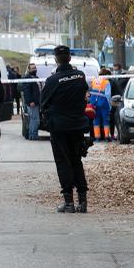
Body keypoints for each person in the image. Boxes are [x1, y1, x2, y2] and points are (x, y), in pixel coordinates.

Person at [40, 45, 91, 213]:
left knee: (63, 163)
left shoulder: (53, 80)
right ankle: (82, 201)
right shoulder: (80, 76)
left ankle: (69, 202)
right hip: (77, 125)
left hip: (60, 128)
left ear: (56, 59)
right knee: (76, 161)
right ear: (70, 58)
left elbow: (43, 103)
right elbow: (84, 97)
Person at [89, 68, 113, 142]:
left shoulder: (93, 81)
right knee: (106, 120)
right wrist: (110, 105)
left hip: (94, 103)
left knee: (96, 120)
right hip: (103, 103)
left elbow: (90, 91)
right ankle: (106, 137)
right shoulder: (106, 82)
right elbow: (108, 95)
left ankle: (97, 137)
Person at [21, 62, 42, 140]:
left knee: (34, 119)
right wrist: (30, 101)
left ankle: (32, 135)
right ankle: (33, 136)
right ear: (29, 69)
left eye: (35, 68)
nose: (34, 69)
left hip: (37, 102)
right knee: (34, 120)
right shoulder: (27, 78)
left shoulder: (36, 77)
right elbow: (26, 91)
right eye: (32, 68)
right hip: (33, 103)